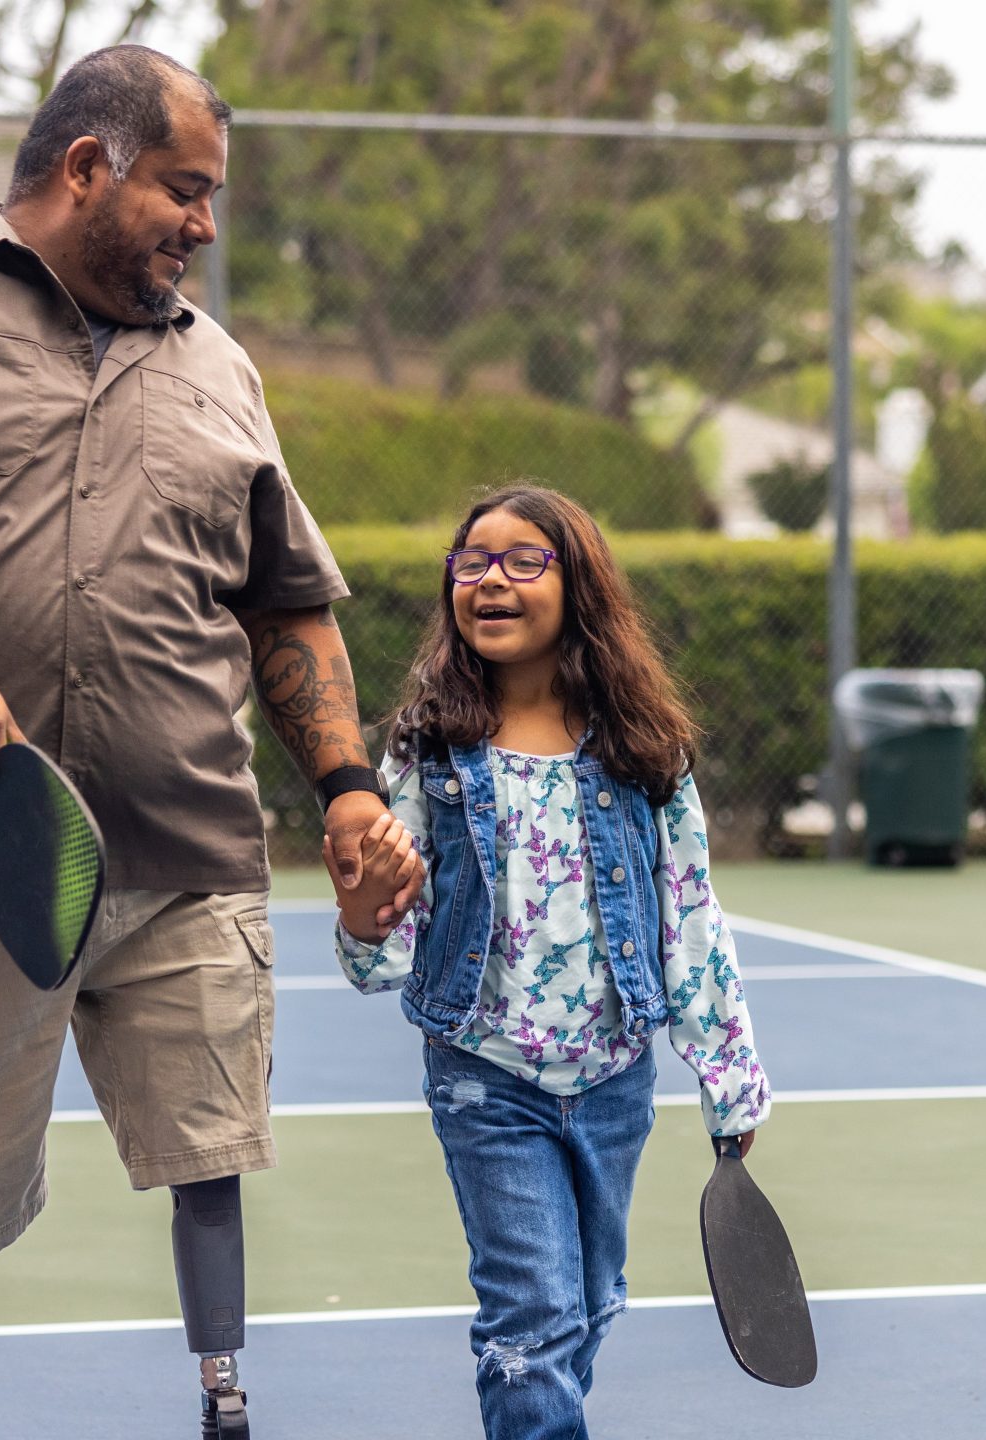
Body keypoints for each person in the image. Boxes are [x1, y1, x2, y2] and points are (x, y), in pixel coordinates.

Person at [0, 44, 416, 1440]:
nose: (207, 226)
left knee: (209, 1143)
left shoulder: (219, 366)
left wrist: (347, 788)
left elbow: (287, 601)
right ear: (87, 165)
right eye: (187, 187)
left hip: (190, 844)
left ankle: (225, 1399)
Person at [331, 484, 771, 1440]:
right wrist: (365, 915)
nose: (490, 579)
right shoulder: (429, 751)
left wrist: (730, 1081)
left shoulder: (644, 752)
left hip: (616, 1082)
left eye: (523, 559)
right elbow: (383, 956)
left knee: (590, 1307)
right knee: (533, 1320)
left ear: (580, 588)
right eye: (472, 561)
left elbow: (691, 917)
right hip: (487, 1081)